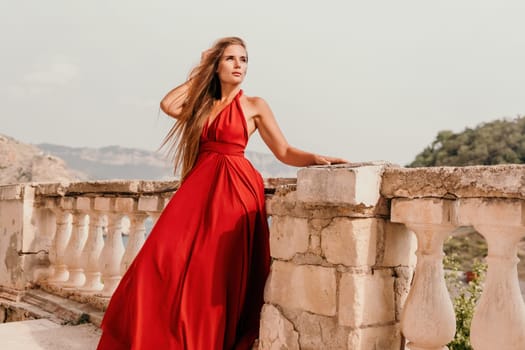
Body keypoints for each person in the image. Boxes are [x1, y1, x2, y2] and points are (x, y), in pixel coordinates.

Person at [97, 36, 347, 350]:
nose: (238, 65)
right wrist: (200, 69)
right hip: (198, 189)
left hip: (235, 191)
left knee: (213, 273)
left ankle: (205, 341)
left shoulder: (255, 105)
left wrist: (317, 159)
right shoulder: (202, 104)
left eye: (243, 59)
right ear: (217, 66)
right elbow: (168, 104)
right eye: (230, 59)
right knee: (157, 259)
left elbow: (283, 150)